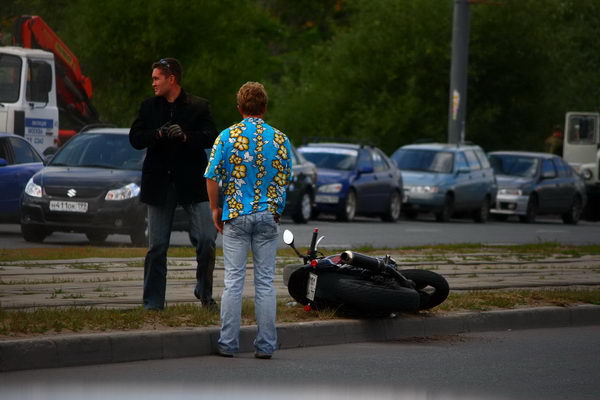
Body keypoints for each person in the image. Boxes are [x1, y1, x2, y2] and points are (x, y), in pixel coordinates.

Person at [204, 82, 292, 359]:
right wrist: (276, 208)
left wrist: (215, 209)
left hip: (237, 214)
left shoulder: (227, 136)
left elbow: (211, 176)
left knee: (234, 280)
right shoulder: (280, 139)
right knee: (265, 282)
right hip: (268, 216)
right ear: (264, 108)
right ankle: (265, 345)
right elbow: (285, 177)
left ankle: (228, 343)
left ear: (239, 107)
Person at [129, 58, 218, 310]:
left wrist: (186, 136)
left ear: (172, 79)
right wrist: (156, 134)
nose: (153, 83)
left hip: (192, 183)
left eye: (157, 78)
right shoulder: (148, 107)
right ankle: (153, 303)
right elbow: (135, 138)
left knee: (206, 240)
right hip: (158, 183)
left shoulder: (199, 106)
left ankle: (204, 292)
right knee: (156, 247)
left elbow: (212, 136)